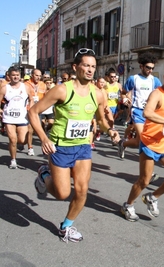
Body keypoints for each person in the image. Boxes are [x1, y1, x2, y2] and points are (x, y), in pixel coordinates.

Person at [28, 48, 120, 243]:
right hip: (60, 146)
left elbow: (101, 121)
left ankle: (66, 226)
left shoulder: (98, 93)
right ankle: (44, 174)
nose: (90, 70)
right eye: (86, 65)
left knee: (82, 190)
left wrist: (110, 130)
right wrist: (44, 138)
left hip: (83, 146)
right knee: (63, 193)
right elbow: (33, 112)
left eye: (93, 66)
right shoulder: (62, 89)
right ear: (75, 67)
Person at [121, 64, 164, 221]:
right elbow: (147, 113)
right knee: (144, 180)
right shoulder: (157, 94)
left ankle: (152, 197)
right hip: (150, 143)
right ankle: (128, 205)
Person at [117, 52, 162, 159]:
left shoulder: (155, 80)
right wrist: (124, 98)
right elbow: (123, 92)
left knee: (138, 141)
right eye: (148, 67)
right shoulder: (133, 79)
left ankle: (123, 144)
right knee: (144, 138)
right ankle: (147, 168)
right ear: (141, 66)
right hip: (137, 111)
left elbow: (161, 95)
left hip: (150, 113)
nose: (150, 70)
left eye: (152, 68)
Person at [0, 67, 33, 168]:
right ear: (9, 76)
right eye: (13, 75)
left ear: (20, 76)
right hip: (8, 118)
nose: (15, 77)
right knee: (12, 139)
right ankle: (13, 160)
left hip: (22, 117)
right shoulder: (5, 88)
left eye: (17, 75)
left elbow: (31, 99)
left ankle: (19, 145)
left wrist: (30, 108)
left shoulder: (26, 87)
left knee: (23, 140)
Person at [24, 69, 47, 156]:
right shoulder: (26, 85)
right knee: (30, 129)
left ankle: (44, 145)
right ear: (32, 75)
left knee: (39, 128)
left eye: (40, 76)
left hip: (39, 109)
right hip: (28, 109)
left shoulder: (42, 85)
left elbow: (45, 98)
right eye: (36, 75)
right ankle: (30, 147)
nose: (38, 77)